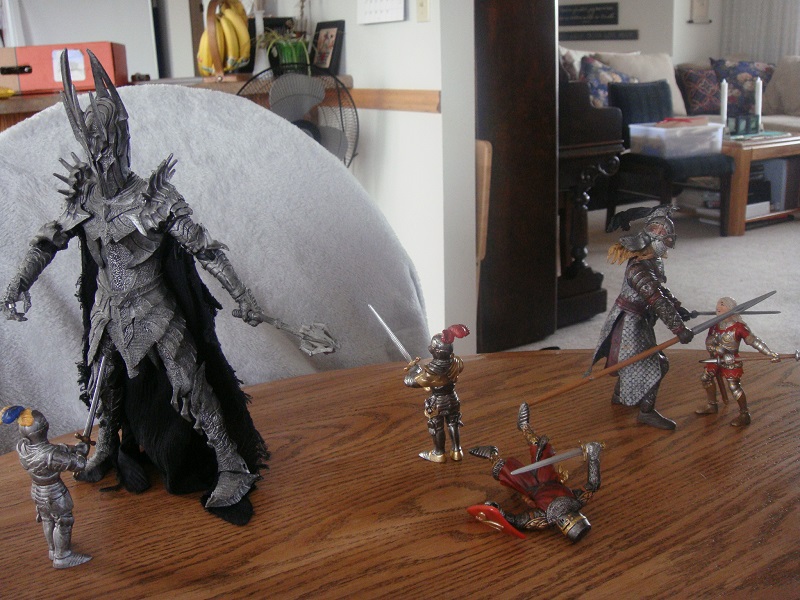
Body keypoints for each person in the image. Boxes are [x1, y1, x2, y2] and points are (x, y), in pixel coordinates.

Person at [2, 50, 267, 524]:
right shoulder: (85, 198)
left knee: (190, 383)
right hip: (108, 309)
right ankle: (106, 443)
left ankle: (230, 463)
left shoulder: (153, 198)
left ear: (123, 139)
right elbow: (48, 241)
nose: (103, 154)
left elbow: (204, 248)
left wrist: (243, 296)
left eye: (109, 142)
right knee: (104, 379)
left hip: (154, 308)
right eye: (94, 145)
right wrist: (17, 285)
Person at [591, 205, 694, 430]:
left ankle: (620, 395)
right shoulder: (638, 269)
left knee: (632, 360)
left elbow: (660, 292)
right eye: (663, 238)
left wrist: (678, 308)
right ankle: (646, 412)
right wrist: (678, 328)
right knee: (657, 364)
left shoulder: (650, 262)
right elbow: (656, 299)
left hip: (639, 320)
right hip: (630, 321)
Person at [468, 403, 603, 543]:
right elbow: (593, 484)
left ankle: (492, 454)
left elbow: (517, 521)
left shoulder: (543, 518)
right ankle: (524, 426)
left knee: (503, 469)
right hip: (548, 478)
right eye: (571, 519)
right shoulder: (576, 500)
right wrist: (594, 455)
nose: (567, 518)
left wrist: (499, 512)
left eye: (566, 523)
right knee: (540, 446)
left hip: (530, 487)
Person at [2, 405, 92, 568]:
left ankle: (53, 549)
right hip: (54, 493)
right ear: (43, 429)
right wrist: (81, 453)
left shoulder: (23, 447)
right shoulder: (50, 455)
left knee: (47, 519)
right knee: (64, 521)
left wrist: (72, 448)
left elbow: (52, 449)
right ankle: (63, 556)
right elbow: (79, 464)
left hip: (37, 491)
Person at [695, 296, 781, 426]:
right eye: (718, 304)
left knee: (734, 386)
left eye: (722, 304)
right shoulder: (715, 325)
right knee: (705, 378)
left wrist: (769, 353)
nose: (718, 307)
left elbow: (754, 341)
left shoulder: (739, 327)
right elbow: (709, 340)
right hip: (716, 359)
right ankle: (712, 405)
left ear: (730, 308)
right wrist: (714, 348)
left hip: (731, 361)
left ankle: (744, 414)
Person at [404, 324, 470, 462]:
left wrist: (413, 370)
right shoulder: (457, 362)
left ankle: (439, 453)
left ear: (436, 351)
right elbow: (438, 379)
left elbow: (410, 382)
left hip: (438, 402)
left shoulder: (431, 372)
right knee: (453, 423)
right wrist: (419, 370)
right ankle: (457, 451)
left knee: (436, 426)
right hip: (453, 398)